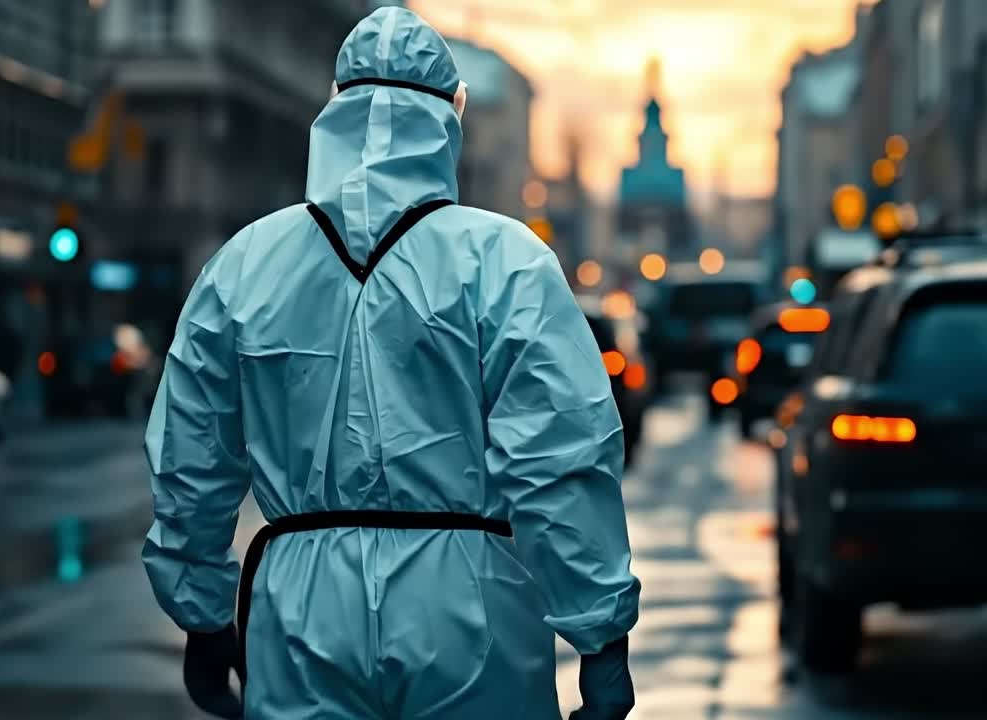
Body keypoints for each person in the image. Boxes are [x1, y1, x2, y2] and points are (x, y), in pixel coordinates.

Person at [142, 7, 640, 719]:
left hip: (299, 607)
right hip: (468, 604)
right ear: (447, 121)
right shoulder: (506, 262)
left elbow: (191, 455)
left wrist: (201, 611)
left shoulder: (245, 263)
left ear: (333, 113)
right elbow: (561, 455)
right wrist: (600, 636)